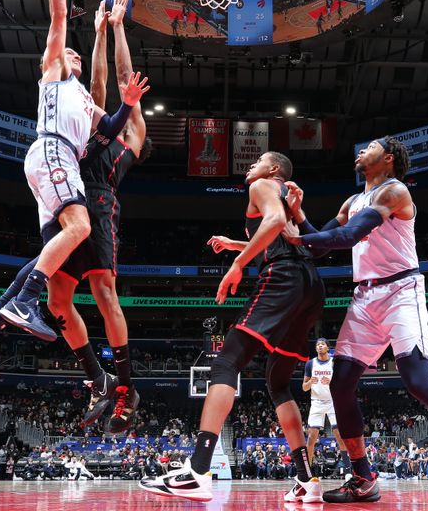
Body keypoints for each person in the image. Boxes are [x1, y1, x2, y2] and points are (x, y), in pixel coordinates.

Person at [284, 136, 428, 505]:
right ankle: (363, 477)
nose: (360, 150)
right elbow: (319, 244)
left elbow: (347, 237)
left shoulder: (394, 193)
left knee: (418, 382)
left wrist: (295, 238)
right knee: (341, 384)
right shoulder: (352, 200)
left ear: (388, 159)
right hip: (364, 297)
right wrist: (298, 216)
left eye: (370, 147)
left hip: (400, 291)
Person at [0, 0, 149, 344]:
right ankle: (19, 303)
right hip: (51, 149)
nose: (73, 54)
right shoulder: (54, 72)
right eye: (69, 51)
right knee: (81, 228)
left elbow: (108, 124)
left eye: (75, 53)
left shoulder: (83, 99)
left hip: (60, 158)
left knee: (63, 245)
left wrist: (130, 102)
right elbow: (60, 16)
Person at [139, 151, 325, 502]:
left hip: (283, 279)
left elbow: (270, 225)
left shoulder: (262, 186)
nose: (251, 165)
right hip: (311, 286)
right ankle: (307, 479)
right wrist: (236, 245)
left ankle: (197, 470)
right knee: (279, 383)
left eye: (257, 160)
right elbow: (287, 241)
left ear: (273, 170)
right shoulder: (290, 198)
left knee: (226, 363)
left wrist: (237, 263)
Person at [47, 0, 149, 433]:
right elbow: (101, 80)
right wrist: (100, 31)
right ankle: (97, 379)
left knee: (105, 295)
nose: (116, 102)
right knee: (56, 298)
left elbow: (124, 78)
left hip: (100, 204)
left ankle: (126, 389)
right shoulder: (94, 123)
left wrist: (122, 27)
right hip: (67, 204)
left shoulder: (130, 138)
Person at [303, 338, 350, 473]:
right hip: (316, 402)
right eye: (317, 344)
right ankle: (307, 471)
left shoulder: (334, 363)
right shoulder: (310, 364)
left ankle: (348, 472)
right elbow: (304, 388)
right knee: (311, 437)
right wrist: (310, 382)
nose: (319, 346)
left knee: (339, 435)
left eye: (322, 344)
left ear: (327, 348)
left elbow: (343, 384)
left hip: (333, 402)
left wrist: (331, 382)